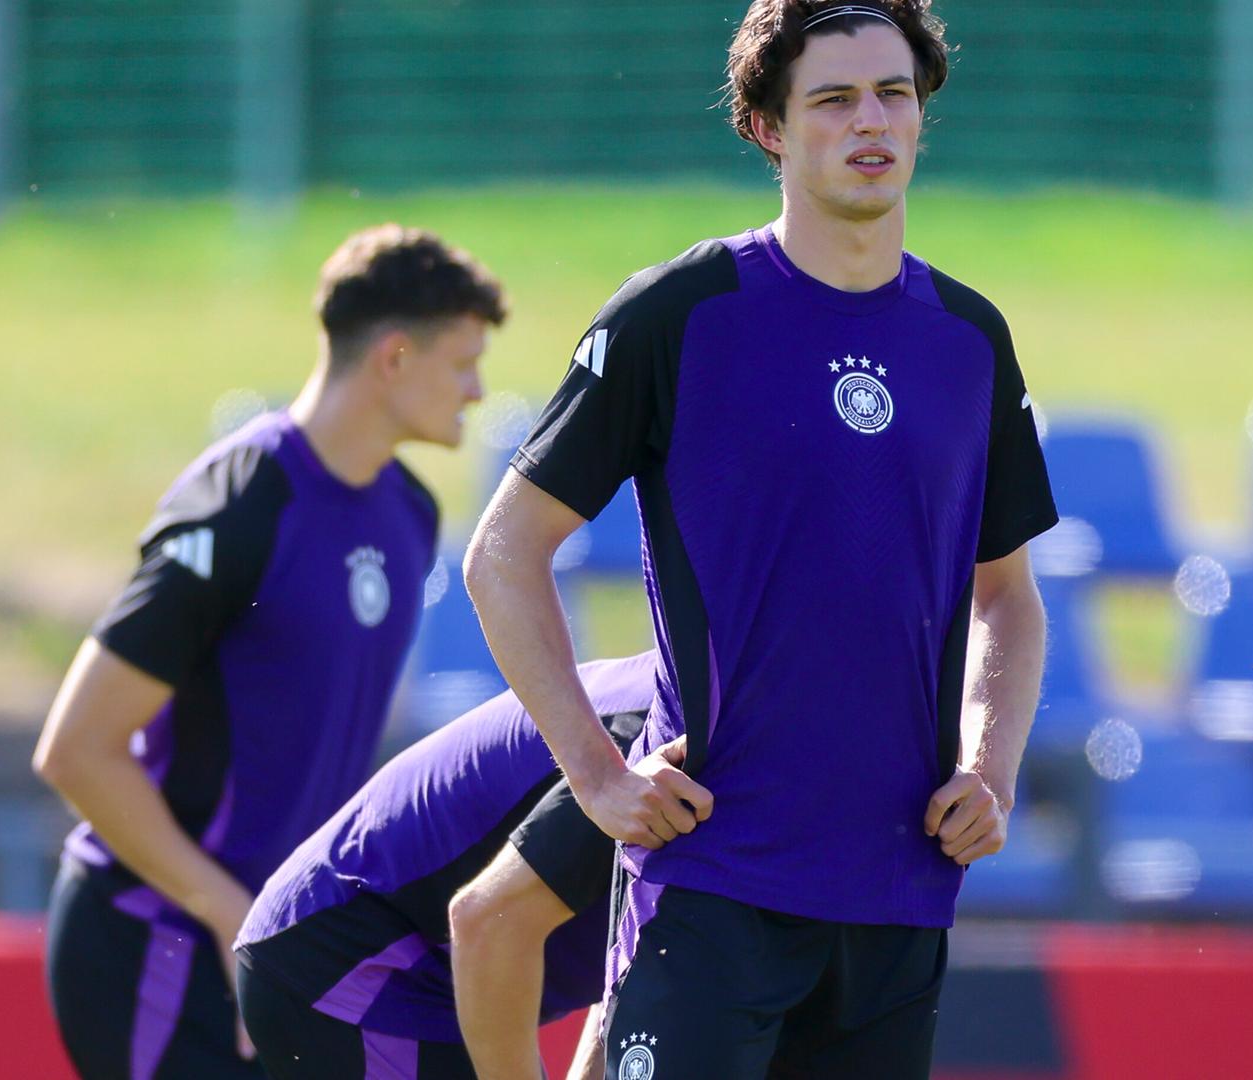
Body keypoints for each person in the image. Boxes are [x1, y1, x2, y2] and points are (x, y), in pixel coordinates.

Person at [462, 2, 1057, 1075]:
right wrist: (597, 778)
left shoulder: (970, 341)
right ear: (769, 126)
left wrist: (991, 768)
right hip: (713, 879)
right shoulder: (678, 315)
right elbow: (502, 555)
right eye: (832, 99)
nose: (869, 122)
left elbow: (1007, 596)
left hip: (898, 896)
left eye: (894, 95)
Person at [32, 224, 506, 1079]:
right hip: (157, 940)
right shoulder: (241, 504)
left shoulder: (408, 511)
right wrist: (223, 913)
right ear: (395, 358)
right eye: (463, 362)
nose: (478, 391)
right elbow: (78, 751)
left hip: (276, 942)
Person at [234, 652, 667, 1080]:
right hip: (353, 962)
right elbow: (484, 920)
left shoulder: (697, 706)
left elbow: (630, 940)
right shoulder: (667, 740)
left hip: (405, 969)